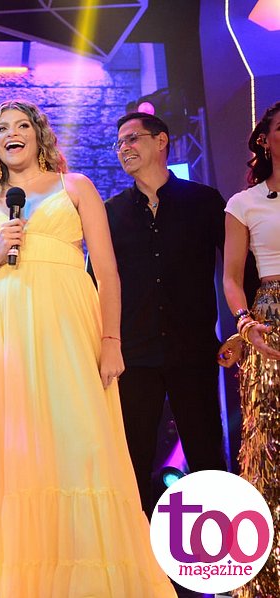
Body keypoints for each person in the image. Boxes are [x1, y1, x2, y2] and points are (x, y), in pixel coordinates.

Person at [0, 100, 175, 598]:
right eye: (2, 129)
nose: (12, 134)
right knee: (19, 454)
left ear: (38, 135)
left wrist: (111, 341)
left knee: (80, 443)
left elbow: (108, 272)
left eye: (22, 126)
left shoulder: (75, 187)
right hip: (6, 338)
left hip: (68, 329)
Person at [105, 112, 227, 517]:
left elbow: (236, 270)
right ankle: (136, 548)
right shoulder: (112, 212)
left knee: (207, 453)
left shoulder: (204, 201)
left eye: (132, 138)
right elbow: (96, 283)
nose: (124, 148)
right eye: (119, 143)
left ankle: (218, 544)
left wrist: (240, 329)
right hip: (135, 356)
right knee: (133, 459)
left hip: (193, 351)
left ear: (161, 141)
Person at [222, 100, 280, 598]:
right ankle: (269, 574)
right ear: (265, 139)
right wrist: (244, 323)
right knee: (270, 444)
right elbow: (232, 277)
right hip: (270, 320)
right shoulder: (245, 202)